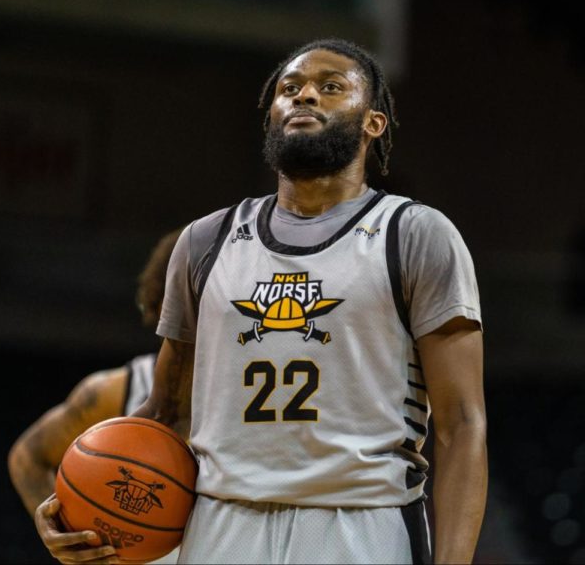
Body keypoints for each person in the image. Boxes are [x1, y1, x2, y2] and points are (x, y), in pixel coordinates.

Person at [36, 38, 487, 565]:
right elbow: (164, 410)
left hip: (360, 520)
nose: (305, 97)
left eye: (331, 87)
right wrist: (82, 508)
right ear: (270, 116)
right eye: (289, 89)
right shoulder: (205, 241)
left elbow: (461, 424)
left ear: (373, 123)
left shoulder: (414, 235)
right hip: (222, 522)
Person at [9, 230, 185, 560]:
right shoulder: (116, 390)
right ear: (161, 306)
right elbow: (26, 458)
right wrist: (66, 537)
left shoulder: (250, 392)